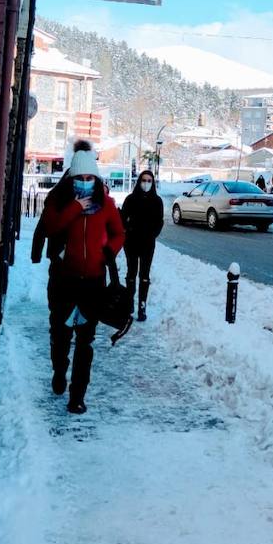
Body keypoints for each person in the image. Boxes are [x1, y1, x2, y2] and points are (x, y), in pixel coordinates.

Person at [32, 140, 125, 414]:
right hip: (63, 281)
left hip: (92, 283)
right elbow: (50, 226)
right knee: (61, 337)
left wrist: (109, 251)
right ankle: (59, 371)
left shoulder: (105, 203)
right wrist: (74, 206)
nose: (85, 182)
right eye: (80, 177)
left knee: (85, 342)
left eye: (90, 177)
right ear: (72, 177)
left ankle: (77, 396)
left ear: (96, 178)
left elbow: (120, 233)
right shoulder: (59, 200)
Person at [121, 167, 165, 321]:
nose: (146, 183)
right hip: (131, 242)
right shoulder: (130, 199)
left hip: (148, 244)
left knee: (144, 275)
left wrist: (152, 234)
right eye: (143, 180)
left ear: (152, 183)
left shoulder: (157, 201)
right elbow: (122, 219)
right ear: (139, 181)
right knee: (131, 273)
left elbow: (160, 222)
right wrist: (128, 230)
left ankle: (142, 305)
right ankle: (129, 303)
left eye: (149, 181)